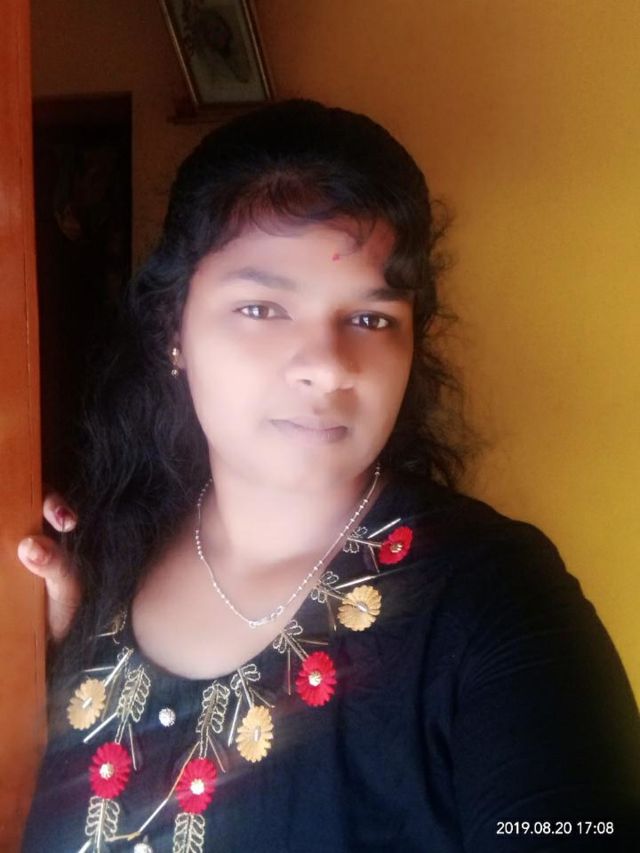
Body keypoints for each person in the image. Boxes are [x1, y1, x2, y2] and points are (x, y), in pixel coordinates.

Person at [19, 99, 639, 852]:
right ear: (172, 330)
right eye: (262, 308)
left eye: (372, 319)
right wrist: (42, 662)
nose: (327, 365)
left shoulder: (495, 601)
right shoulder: (98, 568)